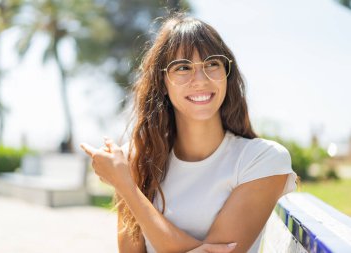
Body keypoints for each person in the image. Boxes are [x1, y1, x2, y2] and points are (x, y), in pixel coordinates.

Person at [80, 13, 297, 253]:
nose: (201, 80)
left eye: (212, 64)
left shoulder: (262, 160)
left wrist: (127, 188)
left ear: (227, 73)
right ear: (162, 82)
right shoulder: (137, 162)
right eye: (183, 67)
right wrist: (126, 182)